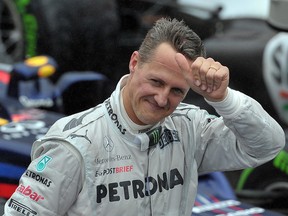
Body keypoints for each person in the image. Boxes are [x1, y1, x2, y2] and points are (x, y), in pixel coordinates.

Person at [3, 18, 285, 216]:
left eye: (177, 90)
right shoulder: (74, 143)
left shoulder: (190, 128)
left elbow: (267, 145)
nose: (162, 99)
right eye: (156, 82)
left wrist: (223, 98)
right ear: (135, 62)